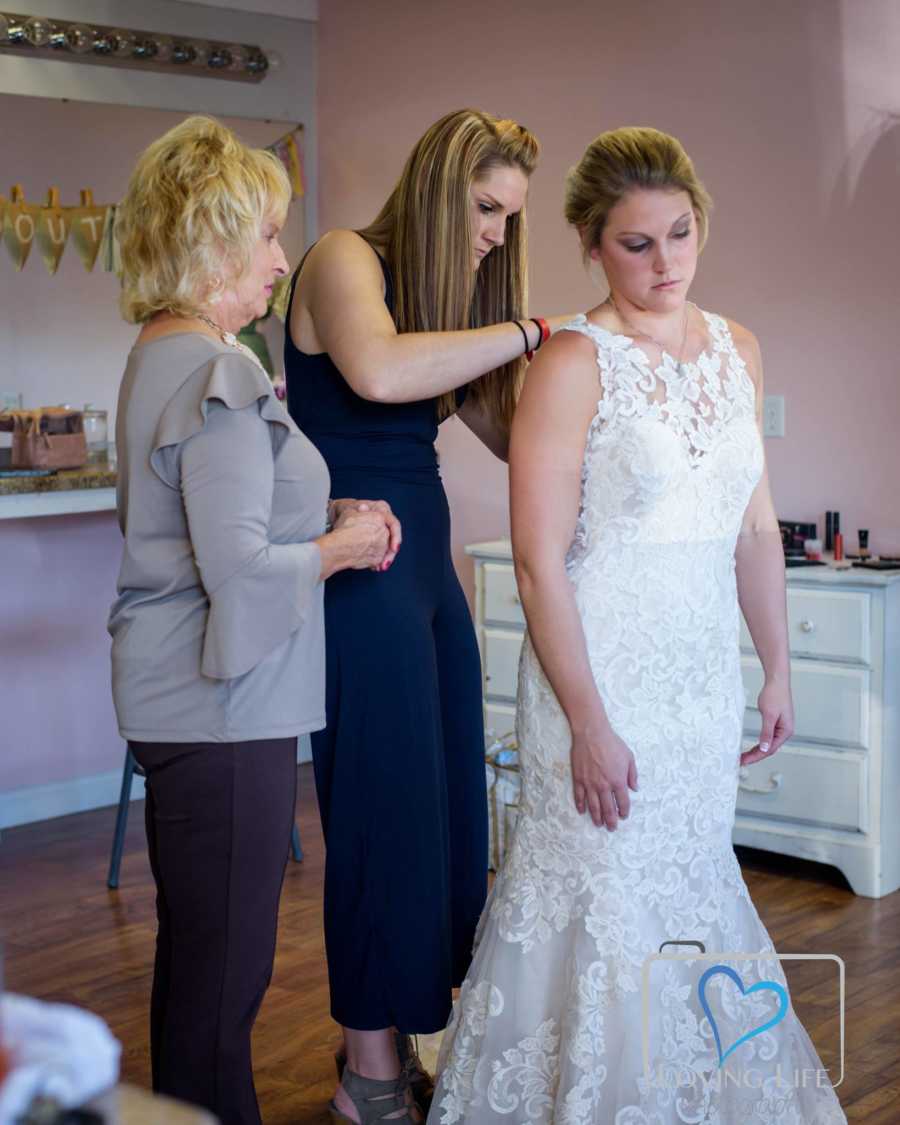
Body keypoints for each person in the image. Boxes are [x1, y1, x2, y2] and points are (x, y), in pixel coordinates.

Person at [430, 127, 847, 1123]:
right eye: (636, 244)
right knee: (602, 905)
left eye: (680, 235)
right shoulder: (574, 363)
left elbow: (752, 525)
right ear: (590, 243)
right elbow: (538, 562)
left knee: (695, 890)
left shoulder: (738, 348)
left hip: (699, 685)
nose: (664, 264)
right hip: (598, 682)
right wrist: (587, 721)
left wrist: (776, 666)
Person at [108, 115, 398, 1125]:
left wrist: (319, 518)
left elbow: (211, 518)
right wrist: (343, 548)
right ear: (215, 240)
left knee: (198, 970)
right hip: (222, 707)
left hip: (179, 697)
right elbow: (235, 566)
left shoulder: (161, 354)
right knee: (223, 989)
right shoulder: (219, 370)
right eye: (269, 236)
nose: (283, 260)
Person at [285, 108, 572, 1124]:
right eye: (486, 208)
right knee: (377, 814)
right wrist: (533, 327)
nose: (497, 232)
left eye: (510, 217)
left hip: (428, 573)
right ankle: (367, 1076)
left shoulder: (444, 304)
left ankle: (413, 1033)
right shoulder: (341, 260)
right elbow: (376, 372)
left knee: (445, 818)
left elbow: (514, 429)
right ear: (440, 187)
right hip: (362, 573)